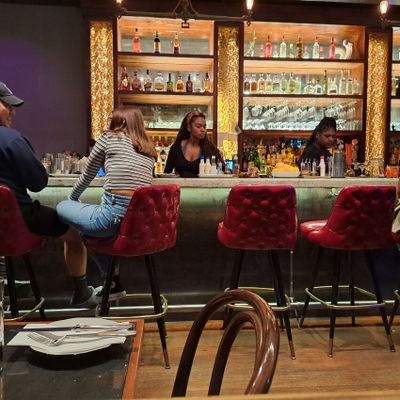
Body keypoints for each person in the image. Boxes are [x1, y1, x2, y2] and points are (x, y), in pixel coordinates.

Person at [0, 81, 96, 307]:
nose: (13, 112)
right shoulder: (11, 139)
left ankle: (7, 283)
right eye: (7, 105)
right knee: (73, 232)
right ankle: (81, 292)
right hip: (19, 219)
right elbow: (38, 183)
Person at [57, 106, 157, 300]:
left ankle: (84, 290)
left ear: (119, 121)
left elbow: (87, 175)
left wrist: (73, 199)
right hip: (138, 225)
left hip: (111, 219)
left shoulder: (108, 138)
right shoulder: (149, 150)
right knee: (91, 229)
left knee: (62, 208)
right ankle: (113, 281)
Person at [164, 110, 224, 178]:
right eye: (198, 126)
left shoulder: (210, 149)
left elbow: (223, 170)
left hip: (203, 184)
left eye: (204, 127)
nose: (203, 130)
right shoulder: (176, 148)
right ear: (189, 128)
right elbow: (166, 174)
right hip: (180, 184)